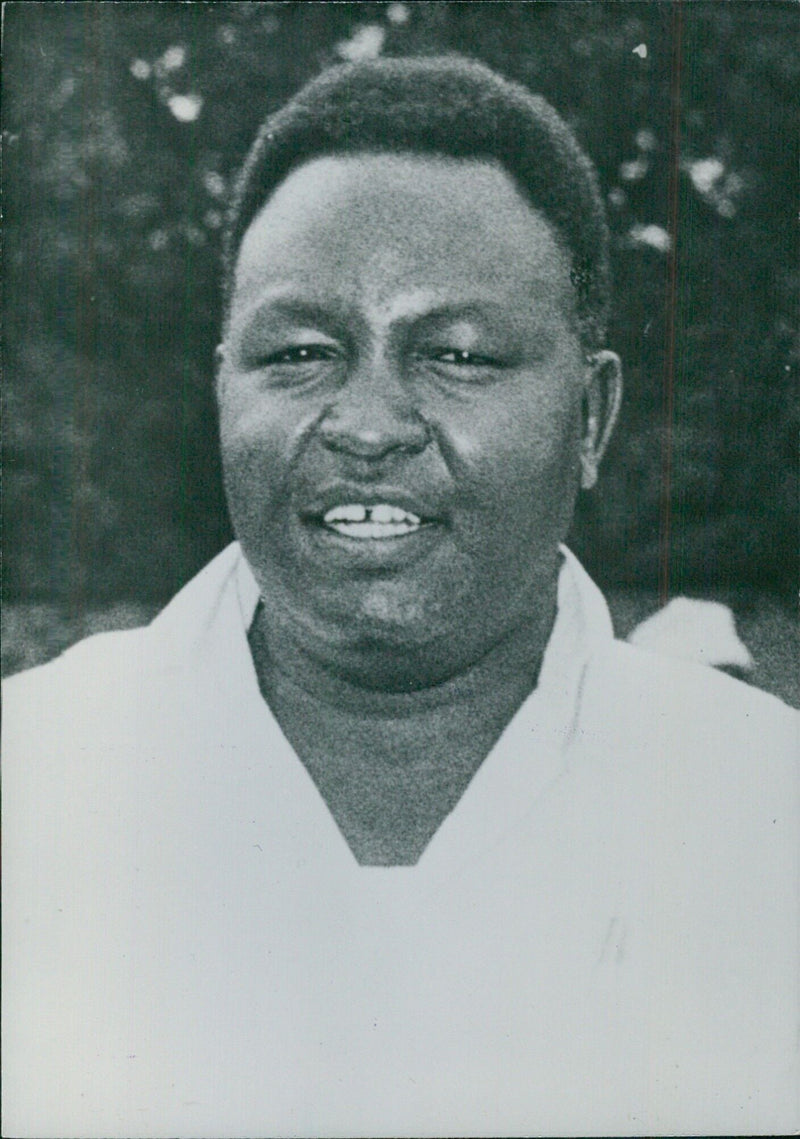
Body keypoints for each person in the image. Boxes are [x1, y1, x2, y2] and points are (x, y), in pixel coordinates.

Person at [3, 56, 797, 1137]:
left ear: (592, 416)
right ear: (221, 391)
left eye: (458, 354)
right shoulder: (35, 778)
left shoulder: (760, 816)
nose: (367, 423)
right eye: (297, 352)